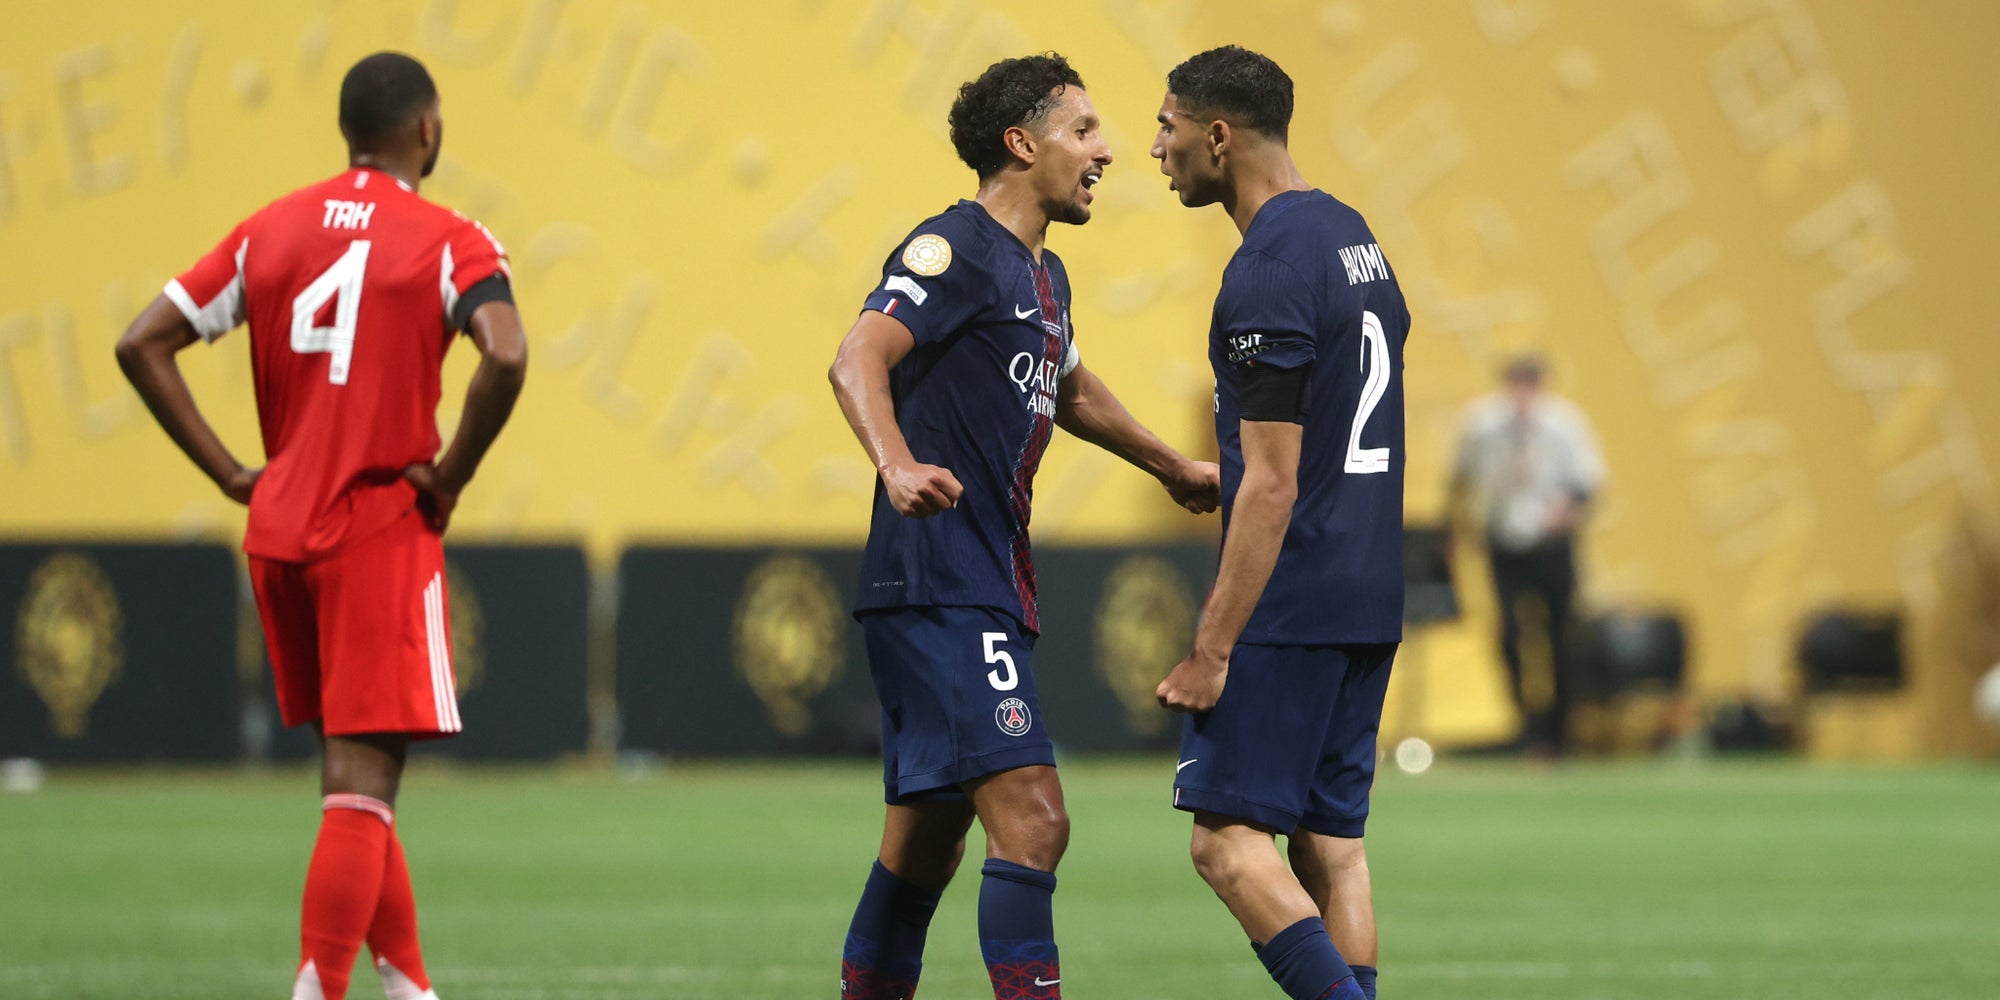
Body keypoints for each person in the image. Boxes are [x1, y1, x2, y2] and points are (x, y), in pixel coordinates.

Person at [115, 52, 526, 1000]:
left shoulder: (272, 228)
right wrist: (452, 475)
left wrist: (229, 472)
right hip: (376, 524)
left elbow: (142, 341)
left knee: (354, 789)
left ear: (350, 132)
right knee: (362, 787)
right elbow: (505, 355)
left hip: (280, 529)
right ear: (426, 130)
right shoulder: (447, 238)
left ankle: (411, 987)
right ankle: (318, 986)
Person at [827, 52, 1219, 1000]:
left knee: (924, 844)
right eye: (1083, 132)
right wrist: (896, 462)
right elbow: (856, 357)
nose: (1107, 151)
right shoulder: (952, 249)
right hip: (939, 579)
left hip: (978, 582)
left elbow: (1073, 388)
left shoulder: (1044, 275)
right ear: (1021, 143)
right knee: (1036, 820)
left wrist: (1169, 464)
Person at [1150, 46, 1410, 1000]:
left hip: (1291, 597)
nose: (1156, 148)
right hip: (1371, 585)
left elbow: (1269, 484)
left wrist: (1212, 648)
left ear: (1218, 136)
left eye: (1169, 127)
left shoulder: (1265, 269)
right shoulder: (1353, 237)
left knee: (1224, 844)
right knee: (1333, 847)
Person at [1446, 354, 1605, 756]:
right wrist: (1462, 526)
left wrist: (1564, 513)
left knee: (1561, 637)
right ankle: (1524, 725)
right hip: (1504, 544)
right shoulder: (1482, 424)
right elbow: (1460, 477)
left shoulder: (1565, 424)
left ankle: (1560, 731)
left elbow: (1588, 483)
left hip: (1551, 546)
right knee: (1510, 636)